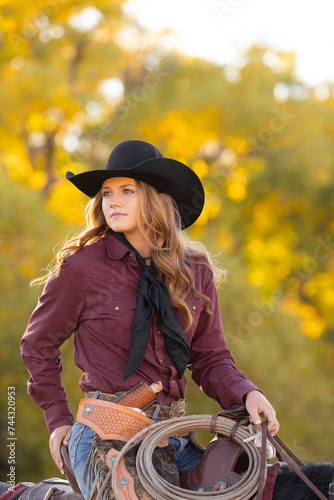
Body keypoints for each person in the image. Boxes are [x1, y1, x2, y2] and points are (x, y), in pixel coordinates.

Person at [21, 139, 279, 498]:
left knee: (258, 486)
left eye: (127, 191)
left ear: (156, 199)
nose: (113, 200)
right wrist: (57, 418)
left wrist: (248, 393)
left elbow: (210, 357)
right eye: (107, 193)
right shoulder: (82, 268)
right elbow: (37, 344)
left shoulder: (195, 270)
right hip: (106, 435)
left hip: (175, 435)